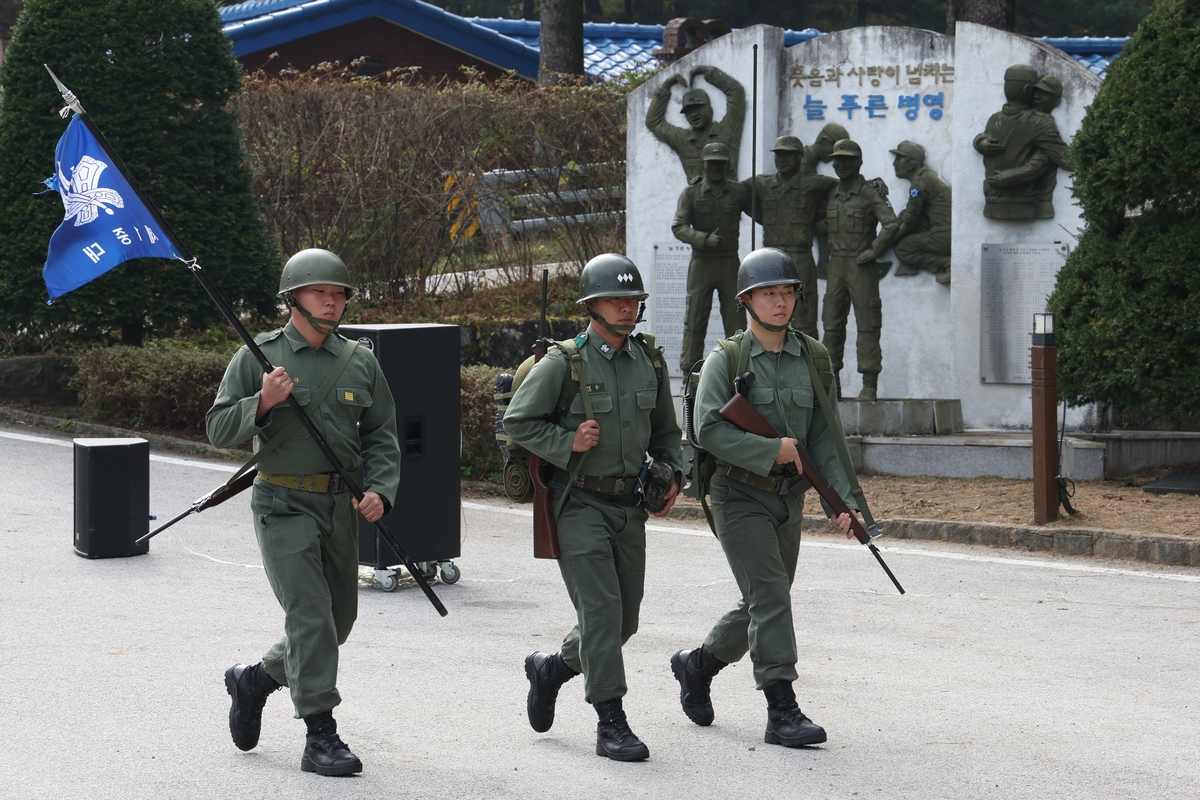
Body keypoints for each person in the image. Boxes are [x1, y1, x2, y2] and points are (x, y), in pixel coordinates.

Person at [207, 249, 400, 777]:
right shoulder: (259, 356)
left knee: (338, 619)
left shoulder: (360, 360)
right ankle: (321, 735)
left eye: (338, 293)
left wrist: (381, 489)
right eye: (321, 292)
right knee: (311, 613)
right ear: (293, 298)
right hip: (282, 503)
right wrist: (263, 402)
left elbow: (382, 434)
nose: (332, 301)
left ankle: (256, 680)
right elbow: (219, 429)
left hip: (339, 505)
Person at [671, 247, 860, 748]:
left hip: (787, 499)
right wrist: (768, 448)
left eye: (788, 292)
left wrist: (842, 502)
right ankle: (782, 709)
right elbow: (706, 429)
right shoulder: (727, 359)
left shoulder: (813, 357)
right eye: (769, 293)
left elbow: (826, 437)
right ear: (747, 300)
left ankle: (697, 665)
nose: (781, 302)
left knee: (764, 598)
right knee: (771, 596)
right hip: (736, 492)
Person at [504, 254, 683, 762]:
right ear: (591, 306)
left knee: (623, 621)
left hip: (630, 506)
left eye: (634, 301)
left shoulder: (649, 359)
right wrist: (567, 442)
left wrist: (674, 476)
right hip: (577, 502)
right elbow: (518, 421)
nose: (628, 309)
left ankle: (551, 669)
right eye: (616, 300)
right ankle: (611, 721)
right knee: (602, 613)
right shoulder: (566, 361)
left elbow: (667, 432)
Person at [821, 139, 898, 402]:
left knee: (867, 325)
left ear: (858, 162)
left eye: (846, 159)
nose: (840, 164)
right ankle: (832, 384)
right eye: (837, 160)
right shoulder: (831, 192)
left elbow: (891, 224)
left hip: (860, 265)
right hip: (836, 265)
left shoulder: (870, 192)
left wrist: (874, 250)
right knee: (831, 325)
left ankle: (869, 384)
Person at [743, 135, 837, 338]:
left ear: (800, 158)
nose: (782, 159)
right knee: (768, 312)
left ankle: (808, 363)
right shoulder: (762, 184)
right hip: (770, 259)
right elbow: (735, 192)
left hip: (799, 256)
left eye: (787, 155)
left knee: (804, 312)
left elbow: (846, 186)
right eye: (778, 155)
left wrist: (872, 184)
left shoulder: (812, 184)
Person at [671, 141, 752, 375]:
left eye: (720, 164)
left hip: (729, 262)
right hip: (702, 262)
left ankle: (739, 369)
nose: (715, 168)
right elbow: (678, 226)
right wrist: (703, 239)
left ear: (727, 166)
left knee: (736, 320)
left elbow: (759, 211)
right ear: (703, 165)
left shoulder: (738, 192)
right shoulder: (691, 193)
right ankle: (690, 371)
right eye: (711, 164)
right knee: (695, 318)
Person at [646, 64, 746, 183]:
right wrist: (666, 87)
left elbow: (736, 92)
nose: (694, 115)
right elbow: (653, 121)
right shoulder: (683, 140)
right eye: (688, 111)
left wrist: (708, 72)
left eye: (698, 108)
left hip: (728, 199)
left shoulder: (728, 130)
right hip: (696, 200)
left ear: (710, 109)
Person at [888, 140, 952, 285]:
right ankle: (908, 266)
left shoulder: (920, 183)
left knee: (903, 249)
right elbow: (910, 215)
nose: (894, 163)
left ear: (912, 164)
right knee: (904, 215)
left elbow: (909, 224)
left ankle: (948, 264)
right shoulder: (925, 178)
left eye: (899, 158)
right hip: (943, 231)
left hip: (945, 235)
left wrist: (887, 242)